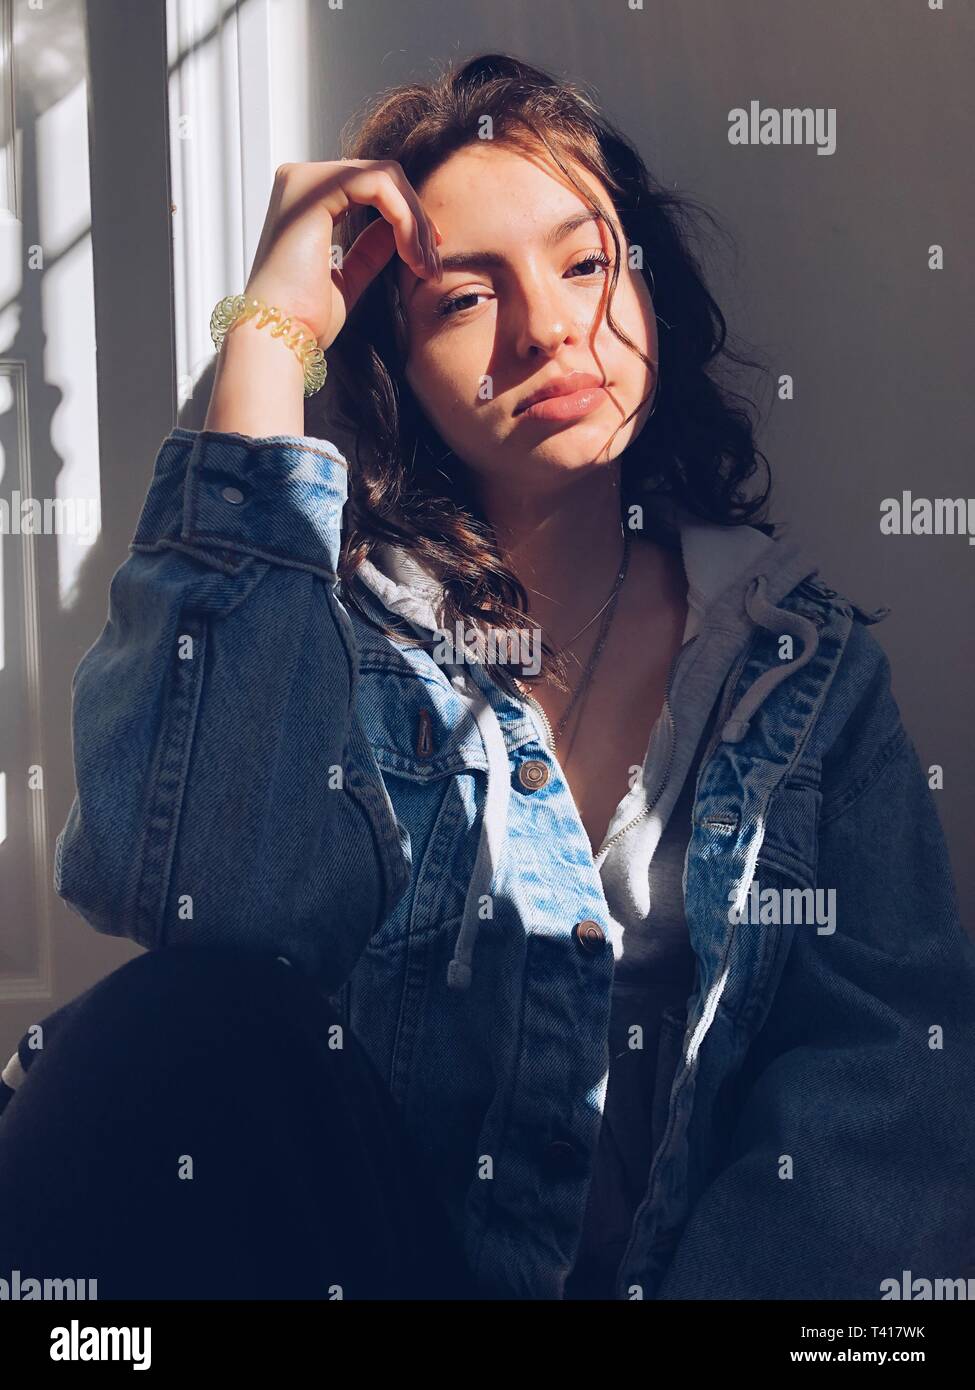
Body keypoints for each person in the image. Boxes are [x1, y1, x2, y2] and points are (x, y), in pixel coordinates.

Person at [2, 52, 973, 1301]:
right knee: (154, 1025)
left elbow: (884, 1111)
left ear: (650, 288)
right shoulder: (334, 642)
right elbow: (188, 896)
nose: (551, 328)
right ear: (394, 366)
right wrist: (272, 335)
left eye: (586, 263)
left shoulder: (805, 682)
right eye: (465, 298)